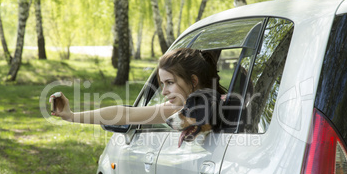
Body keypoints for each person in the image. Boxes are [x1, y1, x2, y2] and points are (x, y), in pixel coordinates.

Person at [50, 48, 226, 125]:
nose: (164, 92)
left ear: (193, 81)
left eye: (170, 83)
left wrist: (71, 116)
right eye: (162, 84)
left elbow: (125, 115)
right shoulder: (177, 108)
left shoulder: (178, 109)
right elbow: (125, 114)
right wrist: (71, 116)